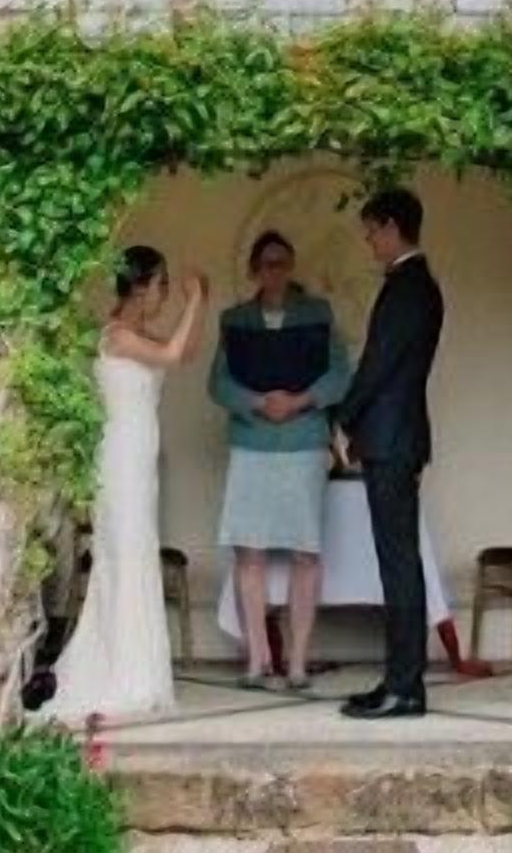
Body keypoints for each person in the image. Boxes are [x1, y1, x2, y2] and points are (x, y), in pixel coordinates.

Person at [52, 247, 210, 723]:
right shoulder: (117, 337)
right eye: (161, 285)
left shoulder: (138, 335)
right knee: (125, 551)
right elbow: (174, 353)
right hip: (119, 459)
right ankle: (121, 671)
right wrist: (197, 300)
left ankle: (138, 668)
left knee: (138, 549)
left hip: (138, 458)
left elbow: (186, 351)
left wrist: (194, 307)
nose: (163, 295)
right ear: (140, 287)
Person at [211, 229, 351, 693]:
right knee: (247, 550)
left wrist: (301, 400)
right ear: (254, 269)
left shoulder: (318, 313)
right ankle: (257, 658)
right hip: (252, 441)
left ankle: (297, 661)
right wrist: (256, 401)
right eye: (268, 263)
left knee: (305, 551)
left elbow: (339, 373)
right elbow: (219, 383)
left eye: (284, 262)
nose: (277, 271)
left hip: (304, 440)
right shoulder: (235, 319)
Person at [329, 187, 445, 721]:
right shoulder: (410, 286)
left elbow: (377, 365)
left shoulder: (409, 287)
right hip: (394, 436)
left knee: (400, 564)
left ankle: (406, 686)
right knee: (395, 562)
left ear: (394, 227)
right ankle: (398, 679)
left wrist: (342, 416)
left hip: (393, 438)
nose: (369, 241)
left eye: (373, 230)